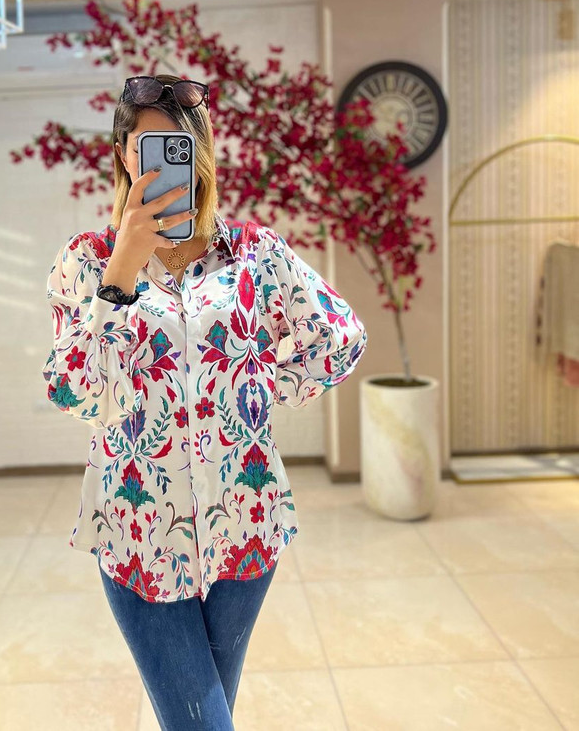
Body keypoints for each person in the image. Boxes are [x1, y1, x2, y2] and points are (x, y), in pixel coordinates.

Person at [42, 73, 368, 729]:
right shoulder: (87, 261)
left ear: (200, 155)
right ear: (123, 155)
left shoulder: (254, 255)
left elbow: (341, 337)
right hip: (140, 533)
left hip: (245, 526)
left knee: (204, 714)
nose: (161, 164)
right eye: (146, 148)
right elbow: (73, 388)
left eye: (177, 147)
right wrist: (122, 271)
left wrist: (261, 385)